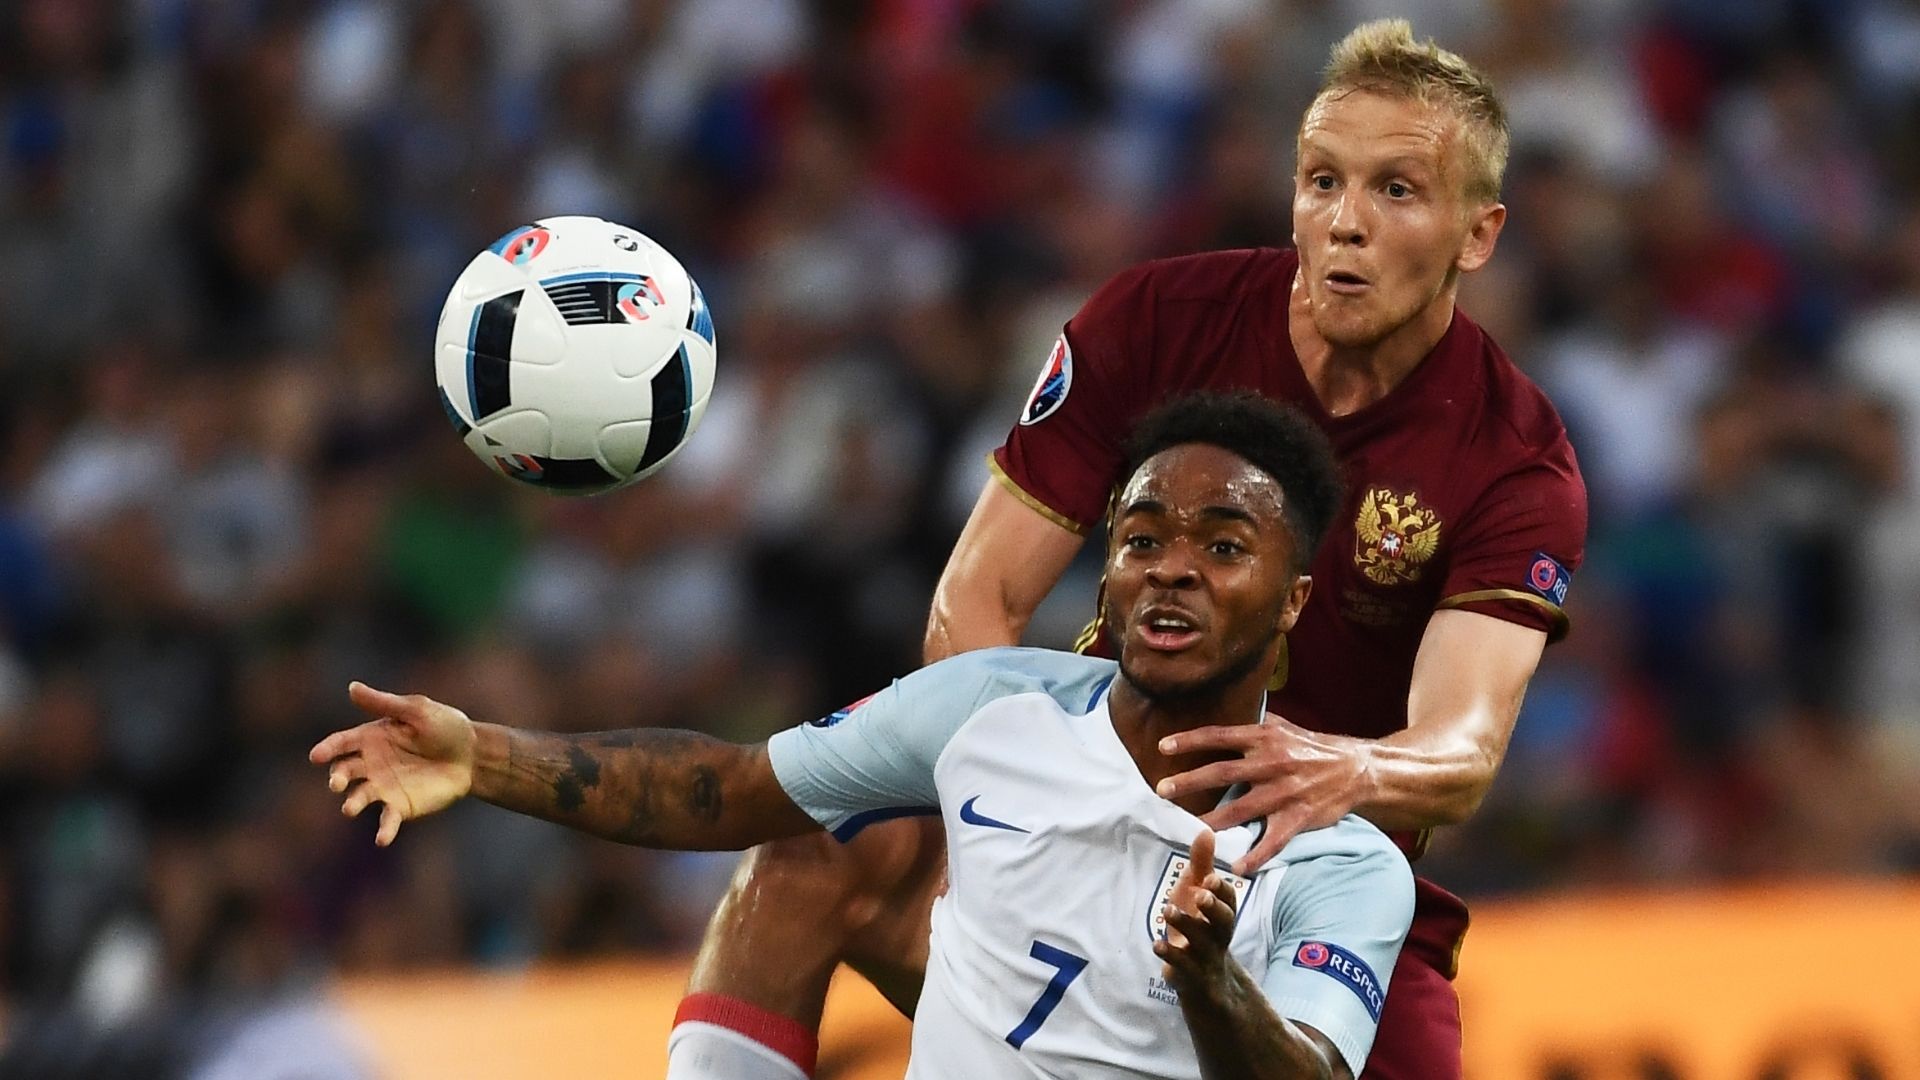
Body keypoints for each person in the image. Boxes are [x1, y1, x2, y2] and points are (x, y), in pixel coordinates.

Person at [668, 19, 1588, 1080]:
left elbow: (1460, 751)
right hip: (1084, 824)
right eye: (1322, 181)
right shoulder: (1156, 323)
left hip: (1310, 893)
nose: (1346, 223)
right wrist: (1004, 839)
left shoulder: (1515, 458)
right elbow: (978, 598)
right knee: (812, 842)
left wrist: (1328, 767)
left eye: (1396, 191)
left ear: (1478, 234)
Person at [313, 393, 1415, 1080]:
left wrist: (1214, 979)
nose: (1171, 566)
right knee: (809, 833)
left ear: (1293, 602)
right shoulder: (994, 709)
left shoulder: (1338, 858)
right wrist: (483, 756)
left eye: (1224, 547)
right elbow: (734, 789)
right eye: (1140, 538)